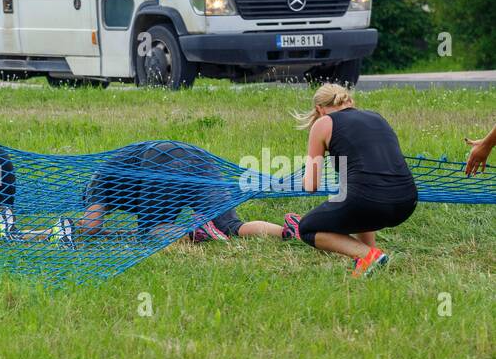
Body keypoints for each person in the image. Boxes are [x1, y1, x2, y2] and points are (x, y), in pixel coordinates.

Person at [285, 83, 417, 277]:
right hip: (406, 202)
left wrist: (298, 180)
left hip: (370, 201)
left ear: (319, 109)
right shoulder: (377, 117)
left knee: (306, 228)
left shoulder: (323, 123)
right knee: (358, 194)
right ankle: (372, 257)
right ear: (349, 100)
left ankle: (367, 255)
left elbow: (311, 185)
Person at [75, 141, 278, 241]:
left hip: (163, 163)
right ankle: (288, 231)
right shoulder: (115, 172)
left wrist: (80, 225)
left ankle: (195, 232)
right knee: (231, 225)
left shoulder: (96, 182)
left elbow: (92, 226)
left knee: (151, 231)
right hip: (200, 159)